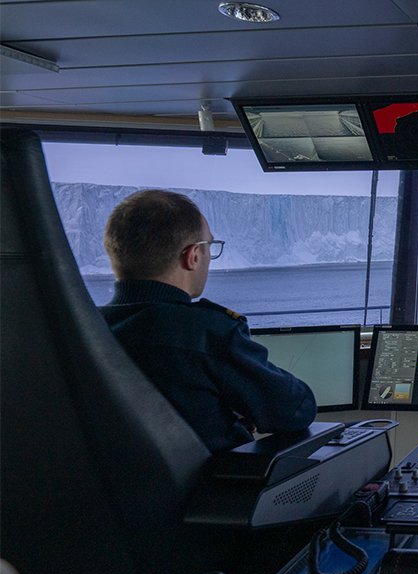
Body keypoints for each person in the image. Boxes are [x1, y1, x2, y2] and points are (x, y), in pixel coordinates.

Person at [100, 189, 316, 453]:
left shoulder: (85, 331)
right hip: (216, 489)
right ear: (192, 256)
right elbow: (296, 410)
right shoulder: (209, 334)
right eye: (209, 247)